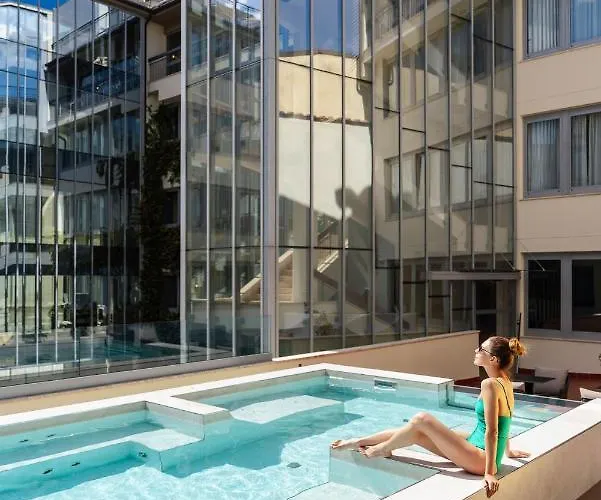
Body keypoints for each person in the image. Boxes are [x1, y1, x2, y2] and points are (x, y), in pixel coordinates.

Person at [331, 336, 530, 497]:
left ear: (493, 359)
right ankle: (358, 441)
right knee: (417, 431)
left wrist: (489, 473)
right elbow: (507, 419)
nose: (476, 350)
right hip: (477, 445)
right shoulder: (504, 381)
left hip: (481, 458)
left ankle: (380, 449)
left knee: (422, 419)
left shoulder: (489, 384)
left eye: (481, 349)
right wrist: (508, 451)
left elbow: (493, 430)